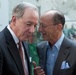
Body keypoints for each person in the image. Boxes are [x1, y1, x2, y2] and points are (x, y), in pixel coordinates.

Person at [0, 2, 40, 75]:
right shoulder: (1, 43)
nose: (32, 31)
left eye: (35, 26)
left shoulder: (23, 42)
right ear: (14, 20)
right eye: (28, 24)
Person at [37, 10, 76, 75]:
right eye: (39, 25)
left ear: (58, 27)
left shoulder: (74, 50)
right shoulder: (40, 48)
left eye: (43, 26)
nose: (39, 30)